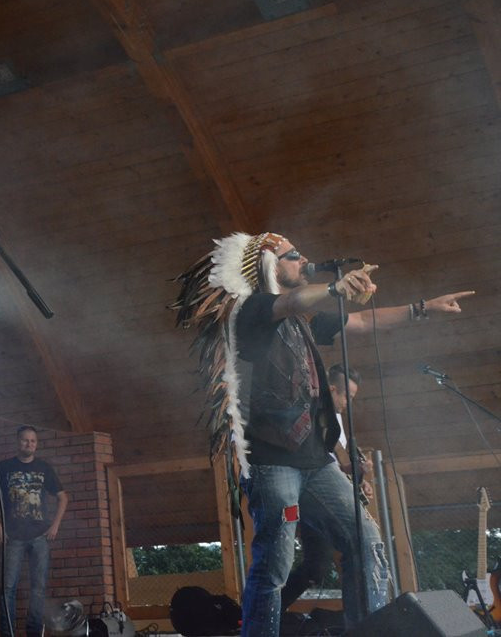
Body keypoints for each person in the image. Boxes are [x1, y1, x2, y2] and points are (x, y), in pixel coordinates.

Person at [173, 232, 473, 636]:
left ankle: (371, 630)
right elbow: (292, 300)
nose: (304, 259)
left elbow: (363, 320)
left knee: (365, 539)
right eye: (292, 255)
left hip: (315, 460)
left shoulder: (302, 319)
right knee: (275, 564)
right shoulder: (251, 309)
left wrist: (423, 309)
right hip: (272, 460)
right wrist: (334, 287)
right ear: (267, 264)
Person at [279, 364, 363, 613]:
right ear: (332, 389)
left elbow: (337, 465)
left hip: (331, 496)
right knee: (325, 562)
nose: (349, 402)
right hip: (314, 498)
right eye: (347, 396)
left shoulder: (337, 420)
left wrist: (359, 479)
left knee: (325, 564)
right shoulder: (314, 412)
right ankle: (266, 615)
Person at [0, 426, 69, 637]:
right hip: (12, 536)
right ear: (18, 442)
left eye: (33, 441)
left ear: (36, 443)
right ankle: (8, 634)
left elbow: (63, 497)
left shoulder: (44, 467)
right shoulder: (4, 467)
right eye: (25, 440)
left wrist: (55, 525)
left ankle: (34, 634)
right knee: (8, 589)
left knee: (38, 588)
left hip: (40, 536)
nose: (29, 444)